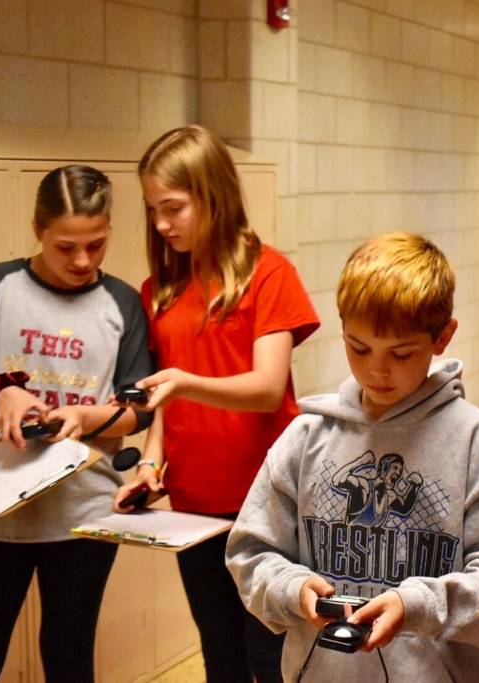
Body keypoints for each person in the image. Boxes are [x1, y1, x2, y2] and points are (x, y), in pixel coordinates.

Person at [226, 232, 479, 682]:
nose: (377, 370)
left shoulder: (473, 440)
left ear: (442, 337)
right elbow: (252, 553)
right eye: (358, 347)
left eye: (401, 353)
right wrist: (294, 590)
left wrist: (417, 607)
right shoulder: (308, 436)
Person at [113, 125, 320, 683]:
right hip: (194, 508)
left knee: (270, 654)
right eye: (153, 209)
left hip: (269, 504)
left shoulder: (268, 273)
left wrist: (184, 382)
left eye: (173, 208)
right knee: (219, 651)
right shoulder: (158, 289)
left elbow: (267, 387)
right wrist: (154, 465)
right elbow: (163, 401)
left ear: (213, 195)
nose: (161, 224)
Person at [0, 166, 154, 682]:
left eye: (96, 244)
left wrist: (84, 416)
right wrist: (1, 393)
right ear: (37, 229)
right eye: (66, 246)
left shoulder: (122, 302)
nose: (82, 260)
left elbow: (138, 409)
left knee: (70, 655)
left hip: (83, 511)